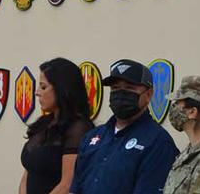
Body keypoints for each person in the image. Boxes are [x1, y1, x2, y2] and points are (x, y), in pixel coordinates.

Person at [70, 59, 179, 194]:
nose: (121, 93)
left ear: (148, 94)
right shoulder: (92, 137)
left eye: (129, 88)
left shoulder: (158, 142)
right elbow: (75, 188)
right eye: (115, 88)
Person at [19, 58, 93, 194]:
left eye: (43, 87)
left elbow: (67, 185)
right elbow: (29, 171)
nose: (37, 92)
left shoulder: (78, 128)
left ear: (61, 89)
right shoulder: (43, 123)